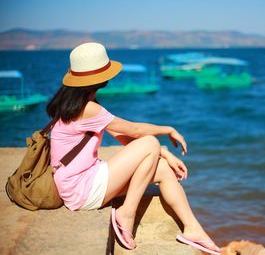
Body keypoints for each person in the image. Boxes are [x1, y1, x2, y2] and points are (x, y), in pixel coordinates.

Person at [47, 42, 221, 254]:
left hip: (81, 182)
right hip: (81, 189)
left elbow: (122, 136)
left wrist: (164, 154)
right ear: (101, 78)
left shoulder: (79, 105)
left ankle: (193, 229)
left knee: (164, 169)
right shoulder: (88, 109)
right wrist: (168, 129)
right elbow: (137, 131)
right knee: (150, 142)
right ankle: (126, 213)